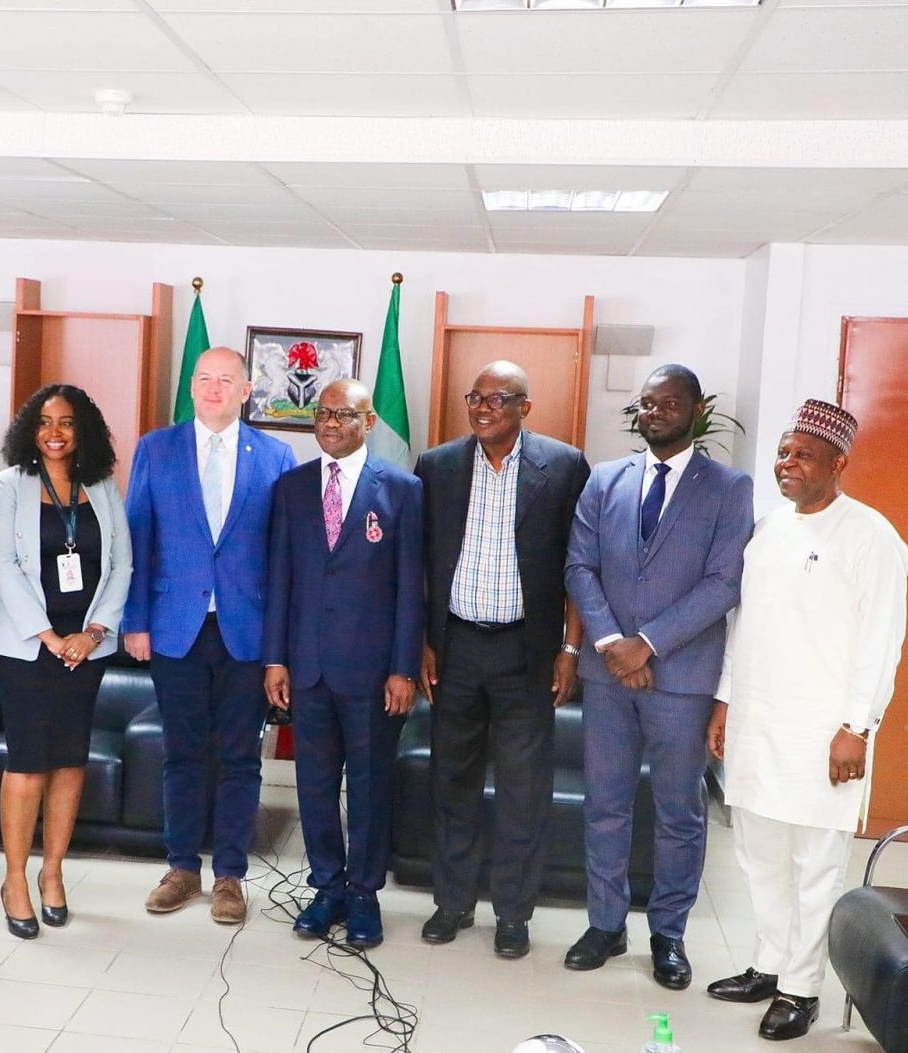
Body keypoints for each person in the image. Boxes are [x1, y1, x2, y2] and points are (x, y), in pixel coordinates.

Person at [704, 399, 908, 1041]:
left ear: (838, 463)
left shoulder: (872, 536)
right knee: (758, 854)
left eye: (804, 455)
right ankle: (769, 964)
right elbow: (744, 623)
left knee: (816, 865)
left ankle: (801, 987)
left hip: (825, 730)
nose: (787, 464)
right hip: (758, 719)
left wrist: (858, 727)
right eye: (783, 453)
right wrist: (725, 699)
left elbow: (882, 641)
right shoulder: (769, 530)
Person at [562, 364, 753, 989]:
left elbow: (723, 582)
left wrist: (646, 645)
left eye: (669, 403)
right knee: (605, 805)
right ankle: (605, 925)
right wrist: (612, 644)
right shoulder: (605, 479)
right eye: (646, 403)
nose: (655, 412)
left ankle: (668, 934)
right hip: (608, 675)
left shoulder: (728, 487)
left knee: (679, 813)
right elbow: (579, 566)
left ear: (697, 411)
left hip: (681, 678)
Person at [414, 360, 589, 960]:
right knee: (451, 781)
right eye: (476, 398)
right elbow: (421, 564)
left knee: (523, 789)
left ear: (524, 407)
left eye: (498, 398)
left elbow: (579, 567)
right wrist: (423, 642)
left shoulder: (563, 467)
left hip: (527, 652)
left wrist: (570, 649)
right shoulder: (437, 466)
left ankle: (514, 913)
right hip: (455, 649)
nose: (483, 408)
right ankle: (453, 902)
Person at [123, 346, 296, 923]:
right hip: (175, 628)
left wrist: (280, 643)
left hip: (246, 631)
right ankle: (180, 868)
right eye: (204, 379)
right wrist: (135, 621)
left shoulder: (275, 455)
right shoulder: (156, 448)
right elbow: (137, 539)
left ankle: (229, 876)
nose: (213, 388)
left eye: (226, 380)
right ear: (191, 387)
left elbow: (282, 556)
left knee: (241, 758)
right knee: (183, 753)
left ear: (246, 391)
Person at [262, 379, 424, 949]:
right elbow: (280, 578)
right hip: (306, 668)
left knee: (371, 788)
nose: (331, 423)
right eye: (323, 413)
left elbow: (411, 587)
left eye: (344, 414)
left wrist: (403, 668)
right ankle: (326, 887)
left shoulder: (402, 489)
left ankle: (364, 895)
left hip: (374, 672)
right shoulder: (291, 487)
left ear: (368, 421)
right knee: (314, 785)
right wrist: (275, 658)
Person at [0, 384, 131, 940]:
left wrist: (93, 633)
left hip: (85, 646)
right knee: (28, 761)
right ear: (30, 428)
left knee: (70, 759)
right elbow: (0, 563)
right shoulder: (9, 484)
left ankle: (52, 872)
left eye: (67, 422)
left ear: (82, 429)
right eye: (45, 421)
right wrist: (47, 635)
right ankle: (14, 880)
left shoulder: (102, 485)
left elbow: (121, 564)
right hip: (27, 646)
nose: (55, 432)